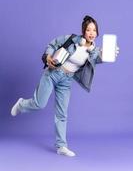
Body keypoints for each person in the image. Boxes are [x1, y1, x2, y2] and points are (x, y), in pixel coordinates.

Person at [11, 15, 119, 157]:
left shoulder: (93, 52)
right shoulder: (72, 39)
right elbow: (52, 45)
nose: (91, 33)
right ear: (83, 32)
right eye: (88, 30)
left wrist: (109, 54)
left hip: (66, 80)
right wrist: (48, 57)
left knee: (62, 113)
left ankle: (61, 146)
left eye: (94, 30)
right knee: (39, 104)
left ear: (97, 33)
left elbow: (98, 59)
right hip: (52, 73)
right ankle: (21, 104)